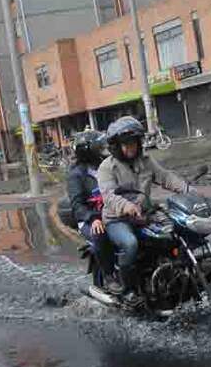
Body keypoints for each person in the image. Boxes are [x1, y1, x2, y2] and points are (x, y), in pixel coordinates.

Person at [97, 116, 190, 302]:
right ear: (117, 146)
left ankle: (174, 276)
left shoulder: (146, 161)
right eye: (126, 143)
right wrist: (127, 206)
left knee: (178, 231)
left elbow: (165, 177)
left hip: (146, 214)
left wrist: (187, 189)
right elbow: (108, 196)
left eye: (134, 142)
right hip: (117, 219)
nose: (131, 147)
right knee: (130, 244)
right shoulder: (107, 167)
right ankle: (128, 289)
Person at [66, 130, 120, 292]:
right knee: (100, 232)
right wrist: (93, 218)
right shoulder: (76, 175)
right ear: (88, 150)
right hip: (90, 220)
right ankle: (109, 276)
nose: (102, 148)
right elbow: (77, 205)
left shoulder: (107, 164)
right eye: (98, 146)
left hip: (112, 212)